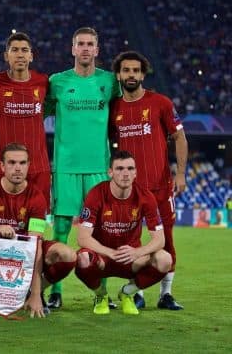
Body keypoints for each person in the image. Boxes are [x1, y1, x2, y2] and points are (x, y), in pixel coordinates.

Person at [44, 27, 121, 309]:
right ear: (73, 48)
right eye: (81, 44)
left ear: (97, 50)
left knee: (100, 233)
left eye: (91, 44)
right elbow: (38, 113)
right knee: (61, 230)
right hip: (65, 168)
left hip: (99, 169)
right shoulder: (57, 82)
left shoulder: (111, 82)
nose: (86, 49)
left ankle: (101, 293)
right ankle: (56, 292)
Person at [109, 50, 188, 310]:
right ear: (118, 74)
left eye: (135, 70)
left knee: (167, 238)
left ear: (143, 74)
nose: (131, 75)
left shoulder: (161, 103)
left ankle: (166, 294)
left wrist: (180, 174)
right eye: (126, 70)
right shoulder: (114, 108)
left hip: (160, 186)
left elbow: (179, 138)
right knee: (131, 242)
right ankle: (135, 290)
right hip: (127, 189)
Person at [0, 143, 76, 316]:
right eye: (12, 163)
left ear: (28, 165)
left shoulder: (37, 196)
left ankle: (30, 293)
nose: (17, 168)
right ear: (2, 165)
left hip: (25, 252)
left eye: (22, 163)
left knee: (67, 255)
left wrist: (37, 293)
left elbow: (35, 244)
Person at [75, 150, 172, 315]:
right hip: (103, 258)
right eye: (119, 169)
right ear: (110, 172)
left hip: (131, 258)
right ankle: (101, 295)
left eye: (130, 168)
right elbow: (82, 238)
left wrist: (137, 252)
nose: (125, 173)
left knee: (165, 259)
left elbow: (160, 240)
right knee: (82, 259)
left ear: (136, 172)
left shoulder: (146, 197)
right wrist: (110, 252)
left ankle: (127, 293)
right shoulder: (96, 194)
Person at [0, 32, 51, 210]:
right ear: (6, 55)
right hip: (5, 166)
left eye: (24, 50)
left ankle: (36, 239)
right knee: (3, 216)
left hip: (38, 166)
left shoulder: (43, 82)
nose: (20, 54)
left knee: (37, 220)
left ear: (31, 56)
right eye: (15, 50)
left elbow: (55, 105)